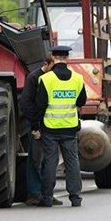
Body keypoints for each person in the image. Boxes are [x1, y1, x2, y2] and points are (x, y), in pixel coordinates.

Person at [34, 46, 87, 206]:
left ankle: (48, 198)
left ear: (53, 57)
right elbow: (81, 101)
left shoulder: (46, 79)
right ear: (67, 57)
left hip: (50, 128)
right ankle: (75, 197)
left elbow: (40, 105)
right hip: (70, 128)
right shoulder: (78, 79)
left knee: (51, 162)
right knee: (72, 161)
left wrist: (35, 126)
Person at [18, 56, 62, 206]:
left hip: (51, 124)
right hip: (38, 124)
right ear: (46, 64)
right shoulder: (33, 78)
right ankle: (34, 193)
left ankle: (47, 193)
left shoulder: (52, 77)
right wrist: (35, 122)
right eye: (53, 65)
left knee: (49, 160)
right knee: (36, 160)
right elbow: (25, 103)